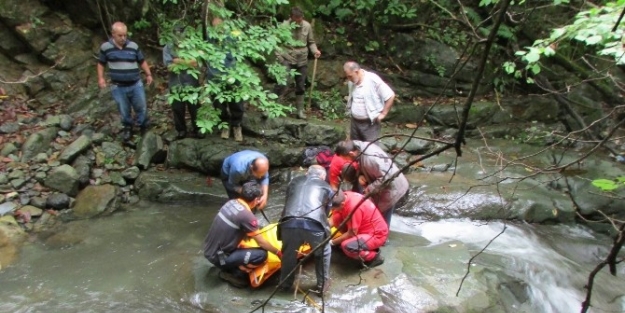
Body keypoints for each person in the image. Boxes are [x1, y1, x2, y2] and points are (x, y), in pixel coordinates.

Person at [203, 181, 282, 288]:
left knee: (247, 241)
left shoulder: (231, 203)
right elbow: (262, 243)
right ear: (255, 200)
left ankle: (233, 264)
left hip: (209, 250)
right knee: (261, 255)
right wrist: (278, 252)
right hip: (219, 258)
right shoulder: (247, 216)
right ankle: (234, 273)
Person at [278, 165, 333, 294]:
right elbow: (326, 212)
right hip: (314, 224)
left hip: (289, 222)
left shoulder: (293, 182)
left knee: (288, 255)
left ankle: (284, 285)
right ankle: (322, 285)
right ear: (323, 177)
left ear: (307, 173)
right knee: (324, 251)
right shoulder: (326, 186)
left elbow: (288, 203)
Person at [97, 21, 153, 141]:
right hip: (118, 86)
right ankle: (128, 128)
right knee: (124, 109)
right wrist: (101, 78)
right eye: (120, 35)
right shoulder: (106, 47)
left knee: (141, 106)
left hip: (135, 83)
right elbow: (101, 64)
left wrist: (148, 74)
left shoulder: (133, 46)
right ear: (113, 34)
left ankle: (143, 125)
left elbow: (142, 61)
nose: (123, 38)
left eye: (125, 35)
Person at [334, 140, 409, 227]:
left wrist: (369, 189)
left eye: (347, 159)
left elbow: (387, 177)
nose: (348, 161)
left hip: (393, 188)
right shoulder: (362, 146)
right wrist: (360, 174)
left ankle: (382, 237)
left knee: (381, 222)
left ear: (351, 154)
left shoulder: (370, 159)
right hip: (384, 184)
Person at [273, 6, 321, 120]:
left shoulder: (307, 26)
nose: (299, 20)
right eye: (296, 18)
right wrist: (280, 57)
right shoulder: (284, 26)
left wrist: (315, 50)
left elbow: (311, 42)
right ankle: (271, 107)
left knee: (301, 85)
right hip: (287, 57)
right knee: (282, 83)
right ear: (291, 17)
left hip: (302, 59)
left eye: (300, 18)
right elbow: (276, 43)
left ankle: (299, 111)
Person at [207, 17, 245, 142]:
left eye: (219, 23)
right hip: (215, 77)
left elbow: (244, 49)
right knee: (218, 104)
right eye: (215, 24)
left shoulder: (233, 35)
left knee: (236, 102)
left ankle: (236, 125)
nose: (217, 27)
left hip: (232, 75)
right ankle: (224, 124)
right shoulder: (208, 37)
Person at [163, 26, 204, 140]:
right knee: (177, 109)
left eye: (181, 33)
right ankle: (181, 131)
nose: (179, 36)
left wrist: (177, 61)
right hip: (176, 84)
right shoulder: (168, 48)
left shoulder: (192, 46)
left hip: (191, 82)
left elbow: (196, 63)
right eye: (176, 33)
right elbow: (169, 66)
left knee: (195, 108)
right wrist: (188, 62)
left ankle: (198, 129)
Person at [329, 191, 388, 268]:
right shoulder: (343, 195)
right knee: (336, 216)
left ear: (342, 204)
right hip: (363, 228)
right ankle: (354, 243)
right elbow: (333, 219)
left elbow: (352, 233)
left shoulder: (353, 207)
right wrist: (323, 228)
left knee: (347, 246)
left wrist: (332, 242)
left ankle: (373, 257)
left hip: (376, 234)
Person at [343, 61, 396, 142]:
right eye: (348, 77)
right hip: (355, 122)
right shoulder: (352, 82)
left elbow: (390, 95)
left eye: (350, 76)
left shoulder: (372, 79)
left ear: (356, 72)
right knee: (355, 148)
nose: (349, 79)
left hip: (370, 123)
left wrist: (383, 114)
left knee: (370, 149)